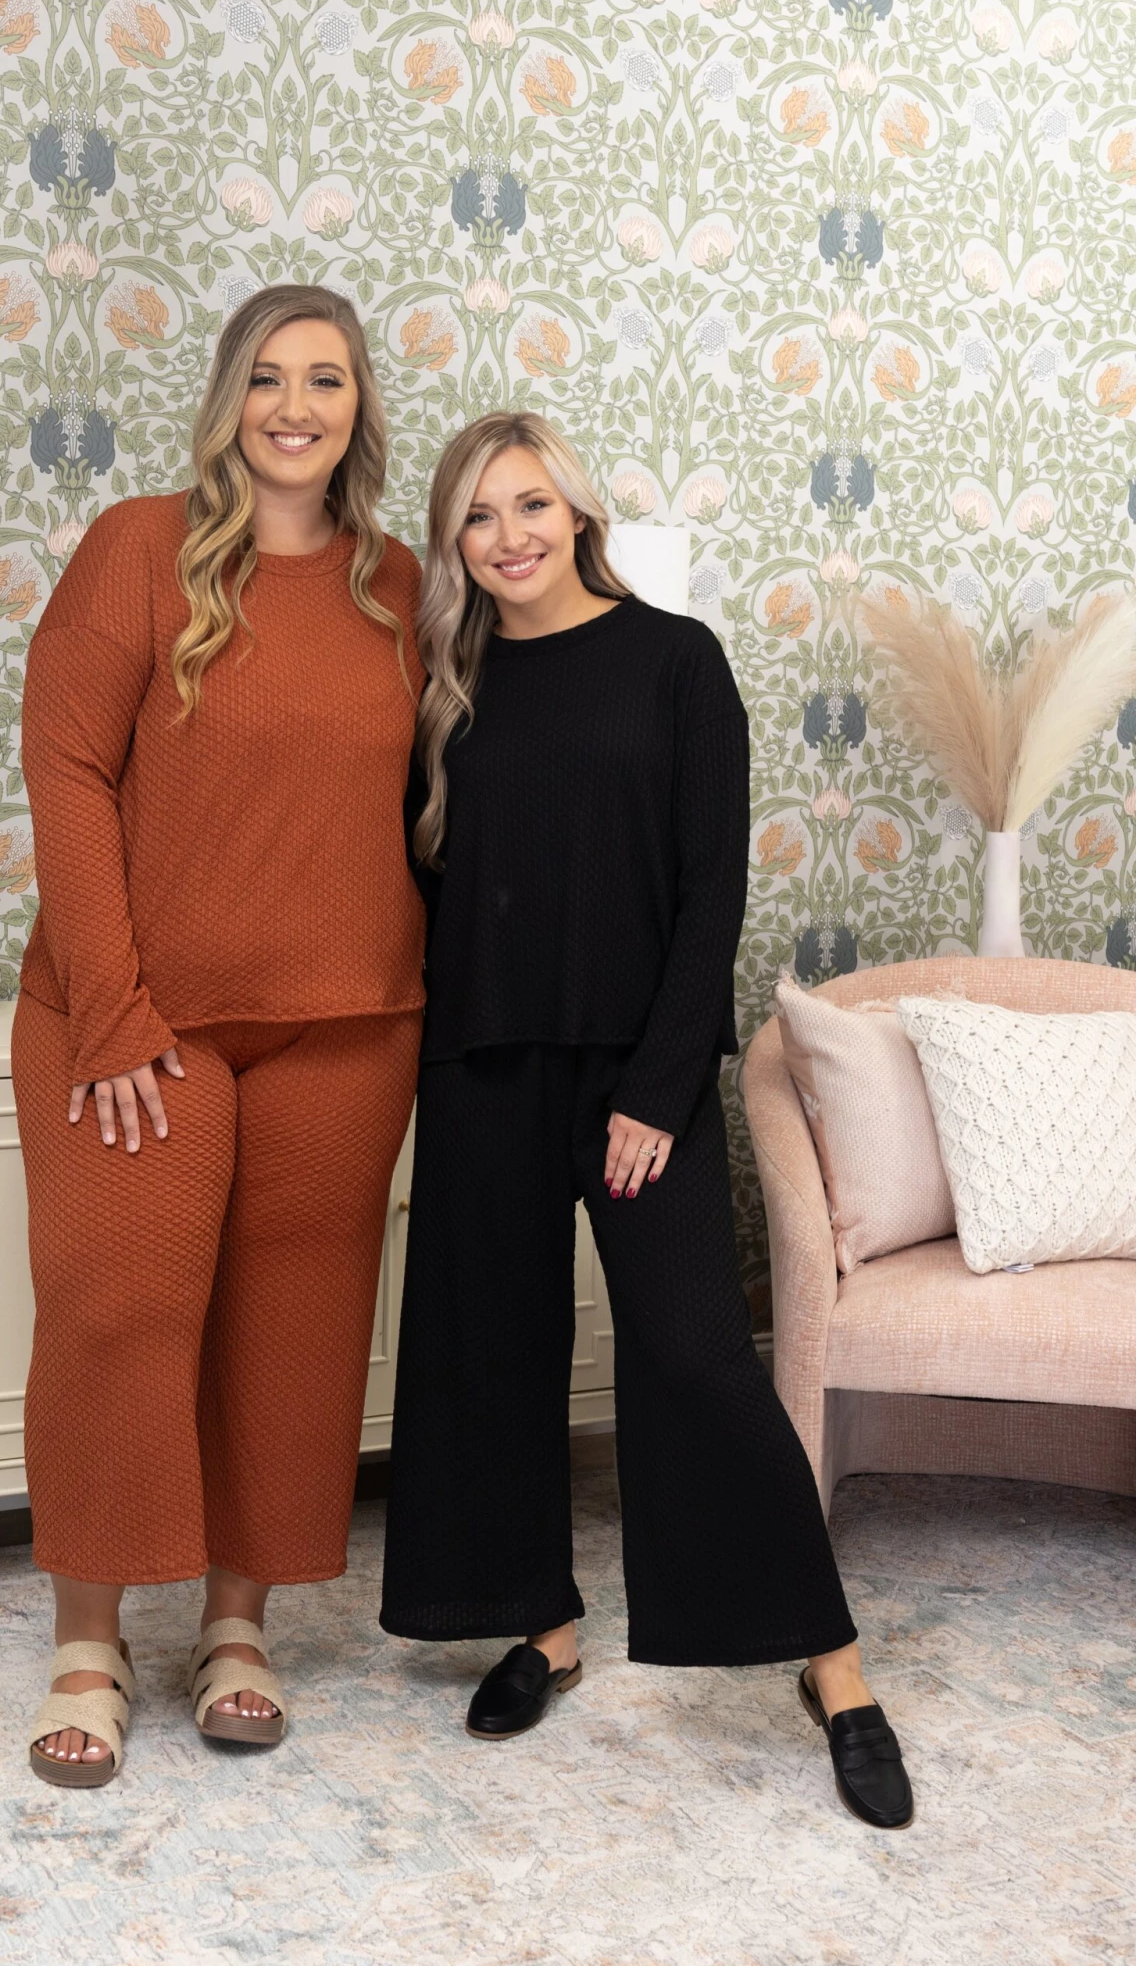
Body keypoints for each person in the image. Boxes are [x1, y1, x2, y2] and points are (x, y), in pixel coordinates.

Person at [379, 411, 913, 1831]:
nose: (508, 536)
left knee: (693, 1353)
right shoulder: (445, 688)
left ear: (579, 513)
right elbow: (426, 885)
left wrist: (654, 1087)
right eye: (477, 516)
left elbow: (708, 892)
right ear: (453, 543)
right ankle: (544, 1628)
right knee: (489, 1355)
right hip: (484, 1066)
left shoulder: (677, 661)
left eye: (530, 504)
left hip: (639, 1077)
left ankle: (836, 1672)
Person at [14, 284, 425, 1785]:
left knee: (295, 1329)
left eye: (326, 379)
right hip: (142, 1025)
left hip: (349, 1024)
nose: (294, 407)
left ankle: (236, 1628)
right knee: (115, 1313)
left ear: (360, 408)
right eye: (266, 377)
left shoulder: (400, 581)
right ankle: (90, 1640)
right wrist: (112, 1011)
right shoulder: (140, 548)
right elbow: (65, 767)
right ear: (227, 401)